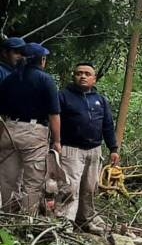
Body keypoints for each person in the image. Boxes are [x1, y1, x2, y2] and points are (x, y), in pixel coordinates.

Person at [56, 62, 119, 232]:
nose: (82, 76)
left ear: (94, 79)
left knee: (90, 188)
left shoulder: (100, 100)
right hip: (70, 149)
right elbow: (54, 121)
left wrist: (113, 148)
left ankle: (85, 220)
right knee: (70, 187)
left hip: (94, 150)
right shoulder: (63, 96)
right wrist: (55, 143)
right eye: (78, 73)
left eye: (87, 73)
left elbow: (107, 125)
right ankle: (64, 223)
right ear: (74, 77)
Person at [0, 42, 60, 214]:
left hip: (9, 129)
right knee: (33, 181)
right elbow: (54, 114)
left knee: (7, 179)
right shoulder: (45, 80)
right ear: (42, 60)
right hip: (34, 133)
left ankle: (6, 217)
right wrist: (57, 141)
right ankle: (27, 220)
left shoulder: (9, 79)